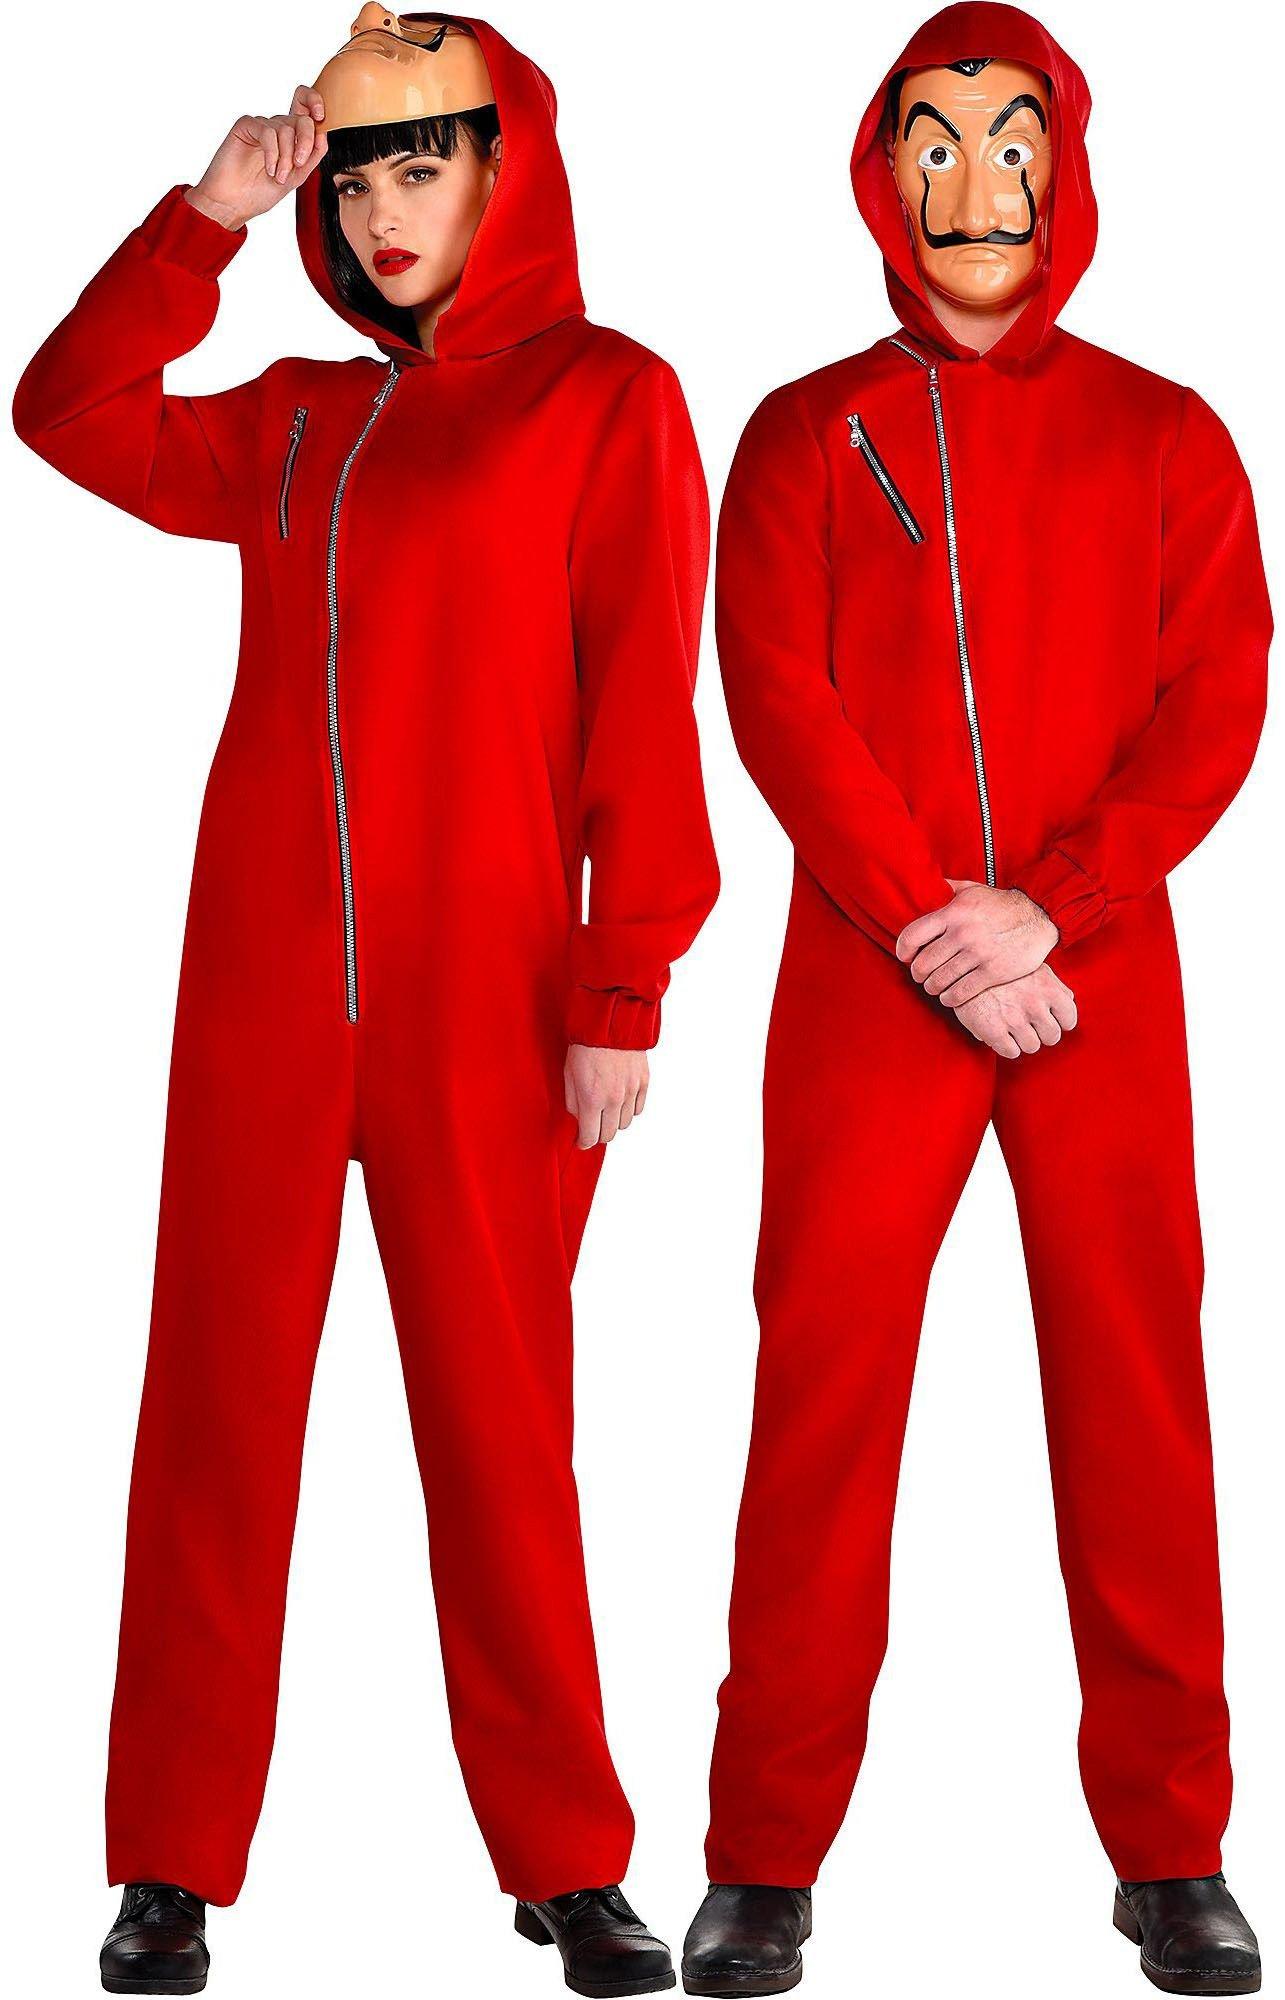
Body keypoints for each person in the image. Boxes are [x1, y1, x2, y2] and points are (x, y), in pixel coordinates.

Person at [12, 11, 718, 1995]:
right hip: (257, 988)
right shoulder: (295, 419)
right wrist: (209, 215)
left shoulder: (606, 397)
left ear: (506, 170)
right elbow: (66, 411)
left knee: (500, 1427)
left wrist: (622, 978)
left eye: (420, 164)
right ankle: (167, 1862)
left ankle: (567, 1859)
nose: (382, 210)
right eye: (355, 175)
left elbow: (643, 705)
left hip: (487, 1001)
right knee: (211, 1414)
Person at [682, 4, 1268, 1995]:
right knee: (821, 1395)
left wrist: (1056, 910)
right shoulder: (798, 431)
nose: (973, 184)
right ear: (880, 173)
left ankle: (1172, 1849)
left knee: (1136, 1392)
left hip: (1099, 980)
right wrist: (940, 924)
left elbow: (1216, 700)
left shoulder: (1168, 434)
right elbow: (778, 696)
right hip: (874, 978)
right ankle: (762, 1855)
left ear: (1064, 166)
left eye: (1011, 140)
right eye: (929, 141)